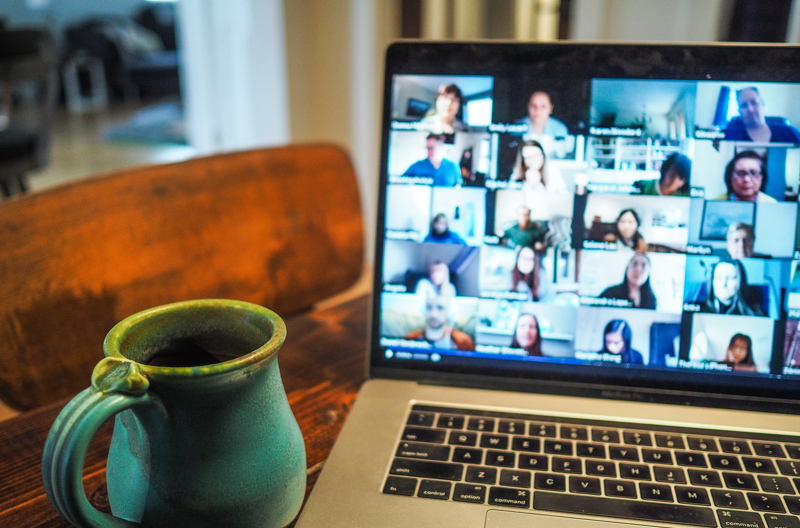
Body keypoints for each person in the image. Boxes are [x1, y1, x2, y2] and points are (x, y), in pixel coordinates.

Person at [724, 87, 800, 143]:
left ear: (763, 105)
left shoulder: (789, 132)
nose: (750, 109)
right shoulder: (729, 136)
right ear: (739, 111)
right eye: (744, 105)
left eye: (754, 102)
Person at [405, 295, 475, 350]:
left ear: (449, 312)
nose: (433, 314)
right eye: (429, 307)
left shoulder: (464, 342)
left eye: (440, 308)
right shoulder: (411, 338)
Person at [700, 260, 765, 316]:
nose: (723, 284)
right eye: (718, 277)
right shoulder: (698, 309)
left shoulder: (754, 313)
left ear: (740, 281)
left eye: (731, 278)